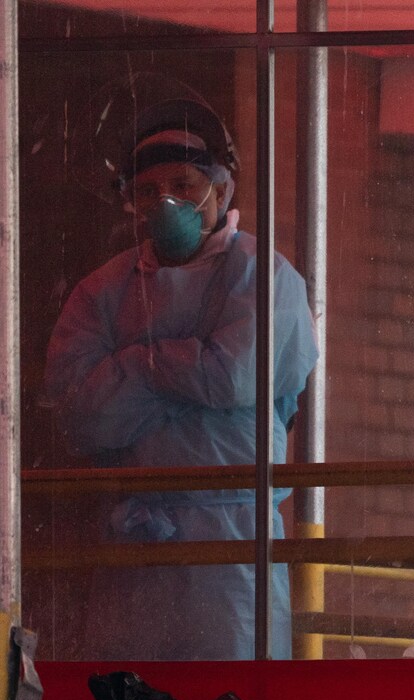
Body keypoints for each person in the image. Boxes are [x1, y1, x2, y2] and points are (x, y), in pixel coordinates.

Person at [44, 96, 320, 660]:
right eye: (147, 191)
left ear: (222, 189)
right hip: (136, 537)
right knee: (129, 694)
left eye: (184, 183)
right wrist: (187, 365)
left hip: (233, 540)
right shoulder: (103, 290)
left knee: (234, 692)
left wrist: (134, 366)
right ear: (130, 204)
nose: (166, 201)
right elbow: (83, 413)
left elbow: (235, 376)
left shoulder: (265, 275)